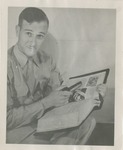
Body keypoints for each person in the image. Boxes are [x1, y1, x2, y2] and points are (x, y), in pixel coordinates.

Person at [7, 7, 105, 144]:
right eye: (28, 33)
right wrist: (46, 102)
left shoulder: (47, 60)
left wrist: (93, 94)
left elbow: (59, 93)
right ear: (17, 31)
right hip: (17, 130)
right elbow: (6, 118)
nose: (33, 43)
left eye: (40, 36)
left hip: (47, 121)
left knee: (87, 124)